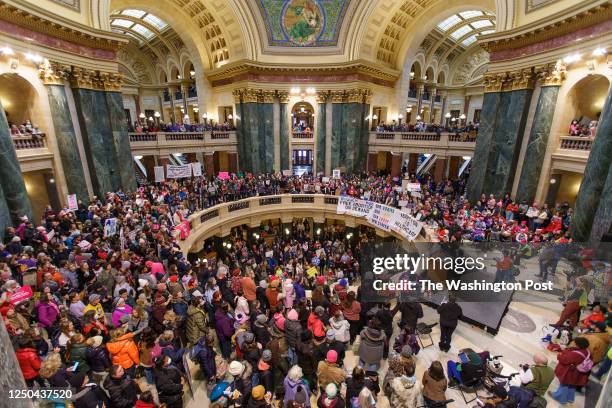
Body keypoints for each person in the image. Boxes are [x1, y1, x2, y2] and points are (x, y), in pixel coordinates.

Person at [549, 337, 591, 404]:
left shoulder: (576, 354)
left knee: (564, 384)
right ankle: (570, 398)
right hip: (578, 373)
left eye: (574, 342)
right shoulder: (587, 351)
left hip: (570, 372)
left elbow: (564, 359)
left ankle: (559, 398)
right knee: (572, 385)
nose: (573, 343)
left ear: (578, 345)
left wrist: (559, 356)